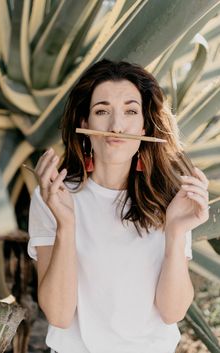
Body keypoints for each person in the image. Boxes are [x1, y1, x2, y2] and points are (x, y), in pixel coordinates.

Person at [27, 59, 210, 353]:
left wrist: (175, 233)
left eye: (130, 111)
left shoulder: (170, 200)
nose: (117, 126)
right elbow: (59, 316)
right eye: (102, 111)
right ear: (84, 124)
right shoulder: (53, 197)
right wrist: (66, 225)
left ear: (144, 125)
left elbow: (172, 312)